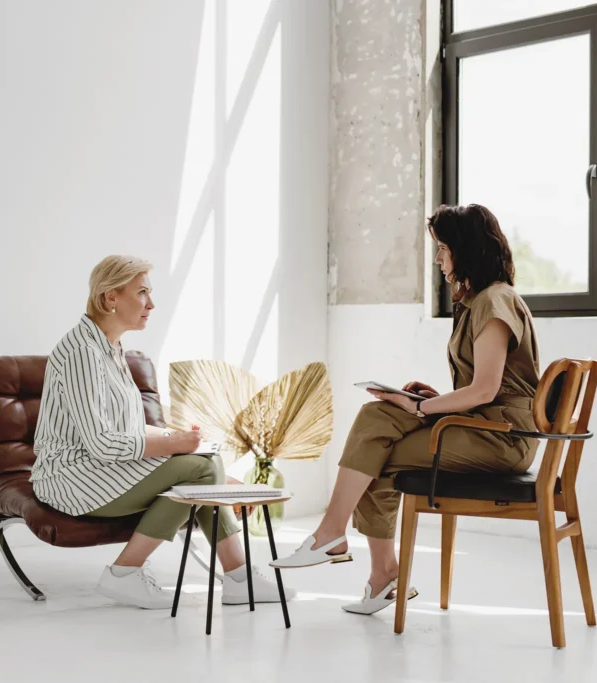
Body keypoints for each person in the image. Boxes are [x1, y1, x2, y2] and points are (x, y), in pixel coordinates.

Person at [270, 204, 541, 615]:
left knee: (374, 455)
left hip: (502, 438)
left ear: (466, 250)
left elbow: (485, 390)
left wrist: (424, 406)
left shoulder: (494, 301)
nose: (438, 259)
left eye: (443, 248)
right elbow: (486, 389)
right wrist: (430, 401)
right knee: (377, 416)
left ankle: (341, 542)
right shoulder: (483, 300)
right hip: (485, 426)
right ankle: (372, 568)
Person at [30, 255, 294, 609]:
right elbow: (102, 444)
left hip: (100, 468)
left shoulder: (109, 347)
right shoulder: (82, 352)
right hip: (71, 478)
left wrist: (181, 443)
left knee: (206, 464)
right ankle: (125, 573)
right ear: (111, 297)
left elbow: (125, 428)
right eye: (142, 292)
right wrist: (175, 445)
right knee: (201, 469)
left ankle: (240, 578)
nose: (151, 304)